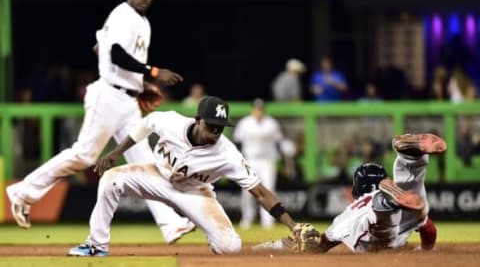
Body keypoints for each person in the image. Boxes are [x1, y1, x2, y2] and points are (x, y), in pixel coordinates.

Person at [6, 0, 195, 244]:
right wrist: (152, 72)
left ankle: (170, 223)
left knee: (145, 163)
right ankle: (22, 192)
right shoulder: (122, 13)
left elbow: (100, 47)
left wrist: (139, 85)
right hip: (107, 95)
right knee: (84, 155)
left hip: (127, 101)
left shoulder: (141, 22)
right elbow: (116, 53)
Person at [68, 96, 317, 256]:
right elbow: (145, 125)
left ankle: (273, 244)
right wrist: (115, 152)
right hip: (157, 175)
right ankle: (96, 245)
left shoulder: (227, 153)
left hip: (196, 193)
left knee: (230, 247)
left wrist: (293, 225)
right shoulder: (171, 122)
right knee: (111, 179)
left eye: (220, 128)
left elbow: (260, 192)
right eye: (211, 126)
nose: (215, 133)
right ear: (198, 120)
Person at [254, 133, 444, 253]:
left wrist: (299, 243)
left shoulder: (350, 212)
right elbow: (429, 229)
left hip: (373, 224)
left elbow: (323, 245)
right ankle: (410, 159)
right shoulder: (410, 201)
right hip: (400, 212)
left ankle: (386, 201)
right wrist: (426, 250)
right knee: (416, 198)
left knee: (378, 220)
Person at [232, 98, 296, 229]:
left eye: (260, 109)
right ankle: (247, 218)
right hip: (250, 160)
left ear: (264, 110)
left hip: (268, 160)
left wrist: (286, 148)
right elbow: (237, 142)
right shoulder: (245, 123)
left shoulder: (271, 123)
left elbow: (280, 141)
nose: (258, 111)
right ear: (252, 109)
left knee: (269, 190)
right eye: (256, 108)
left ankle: (268, 221)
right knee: (247, 190)